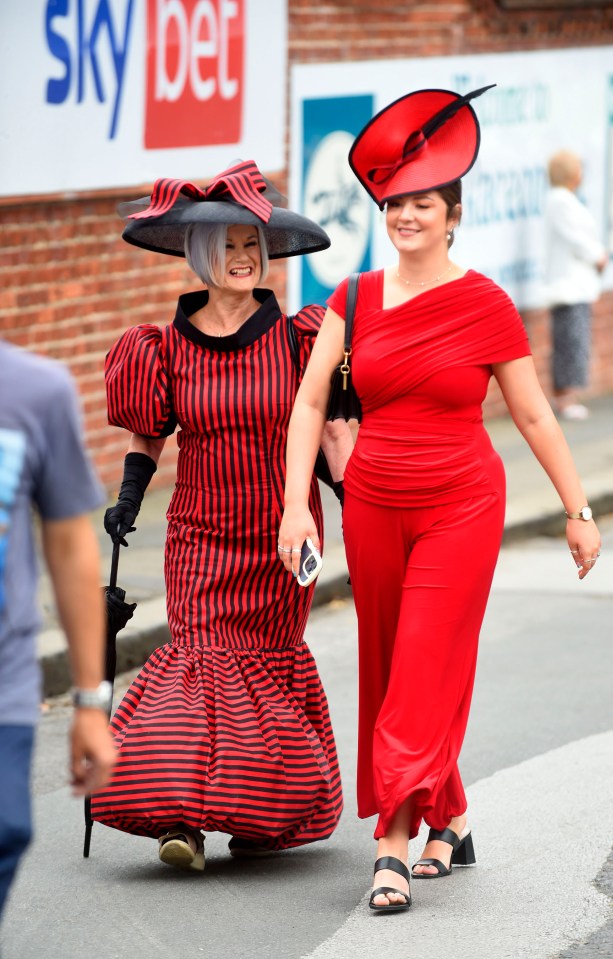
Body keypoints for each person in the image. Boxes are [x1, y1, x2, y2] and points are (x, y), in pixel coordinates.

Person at [278, 88, 602, 914]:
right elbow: (310, 404)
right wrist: (294, 506)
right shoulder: (351, 299)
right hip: (375, 502)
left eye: (421, 203)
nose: (404, 216)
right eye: (393, 203)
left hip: (461, 500)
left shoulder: (485, 303)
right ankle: (447, 817)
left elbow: (531, 411)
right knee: (394, 664)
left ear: (452, 213)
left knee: (423, 656)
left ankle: (390, 839)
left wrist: (577, 507)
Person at [90, 160, 350, 870]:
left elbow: (326, 429)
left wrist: (356, 499)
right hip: (199, 532)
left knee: (262, 669)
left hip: (281, 530)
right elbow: (150, 432)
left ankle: (256, 809)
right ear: (202, 256)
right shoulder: (162, 346)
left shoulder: (299, 337)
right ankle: (183, 816)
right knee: (199, 666)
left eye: (251, 247)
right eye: (228, 247)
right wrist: (128, 499)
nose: (242, 259)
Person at [0, 341, 115, 922]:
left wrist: (91, 702)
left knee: (5, 829)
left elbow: (71, 548)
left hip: (5, 681)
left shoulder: (35, 391)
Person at [545, 149, 608, 420]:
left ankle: (568, 396)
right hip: (568, 287)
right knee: (569, 341)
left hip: (576, 286)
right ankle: (564, 399)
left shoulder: (564, 200)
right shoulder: (560, 201)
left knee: (574, 341)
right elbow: (575, 238)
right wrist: (598, 255)